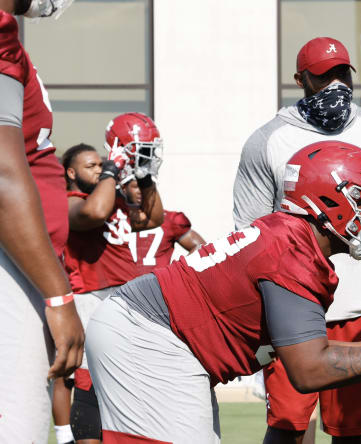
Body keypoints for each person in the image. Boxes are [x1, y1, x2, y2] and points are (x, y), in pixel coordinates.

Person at [86, 141, 361, 443]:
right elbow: (310, 370)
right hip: (151, 338)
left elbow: (313, 356)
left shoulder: (289, 236)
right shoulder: (291, 252)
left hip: (153, 333)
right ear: (328, 201)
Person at [233, 37, 361, 443]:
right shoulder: (268, 140)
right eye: (324, 76)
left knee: (353, 432)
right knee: (289, 428)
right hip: (294, 307)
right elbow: (248, 235)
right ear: (300, 80)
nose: (336, 84)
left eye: (342, 74)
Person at [0, 2, 85, 443]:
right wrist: (58, 298)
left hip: (19, 260)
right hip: (10, 266)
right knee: (18, 422)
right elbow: (1, 172)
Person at [62, 116, 164, 443]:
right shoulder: (71, 202)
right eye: (90, 165)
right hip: (89, 299)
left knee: (129, 380)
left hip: (122, 299)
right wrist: (111, 170)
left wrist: (145, 179)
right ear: (72, 172)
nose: (99, 168)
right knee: (89, 382)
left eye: (100, 163)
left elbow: (152, 218)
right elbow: (94, 213)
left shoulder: (112, 198)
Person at [122, 179, 206, 271]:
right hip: (119, 283)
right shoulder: (114, 219)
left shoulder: (170, 219)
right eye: (137, 186)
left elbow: (201, 247)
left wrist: (176, 272)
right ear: (124, 188)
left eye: (146, 187)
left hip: (156, 284)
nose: (142, 191)